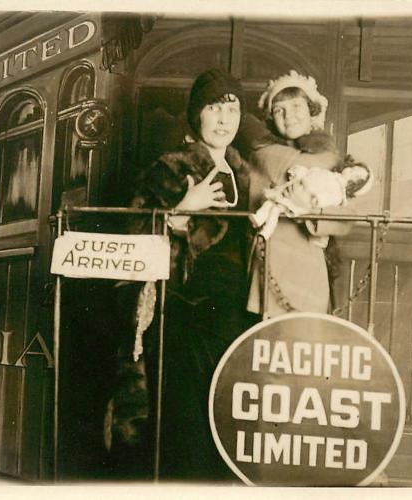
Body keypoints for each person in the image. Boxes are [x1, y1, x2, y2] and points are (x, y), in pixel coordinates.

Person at [122, 68, 257, 482]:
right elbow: (132, 234)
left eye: (231, 109)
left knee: (229, 415)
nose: (223, 119)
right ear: (197, 116)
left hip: (235, 313)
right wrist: (182, 209)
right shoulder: (172, 166)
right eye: (213, 108)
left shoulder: (246, 174)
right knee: (185, 421)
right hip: (183, 311)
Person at [239, 70, 369, 317]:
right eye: (279, 110)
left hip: (312, 263)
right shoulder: (264, 155)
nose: (289, 116)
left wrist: (312, 213)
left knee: (306, 339)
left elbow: (347, 217)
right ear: (270, 118)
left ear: (312, 111)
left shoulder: (331, 158)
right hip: (273, 264)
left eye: (297, 106)